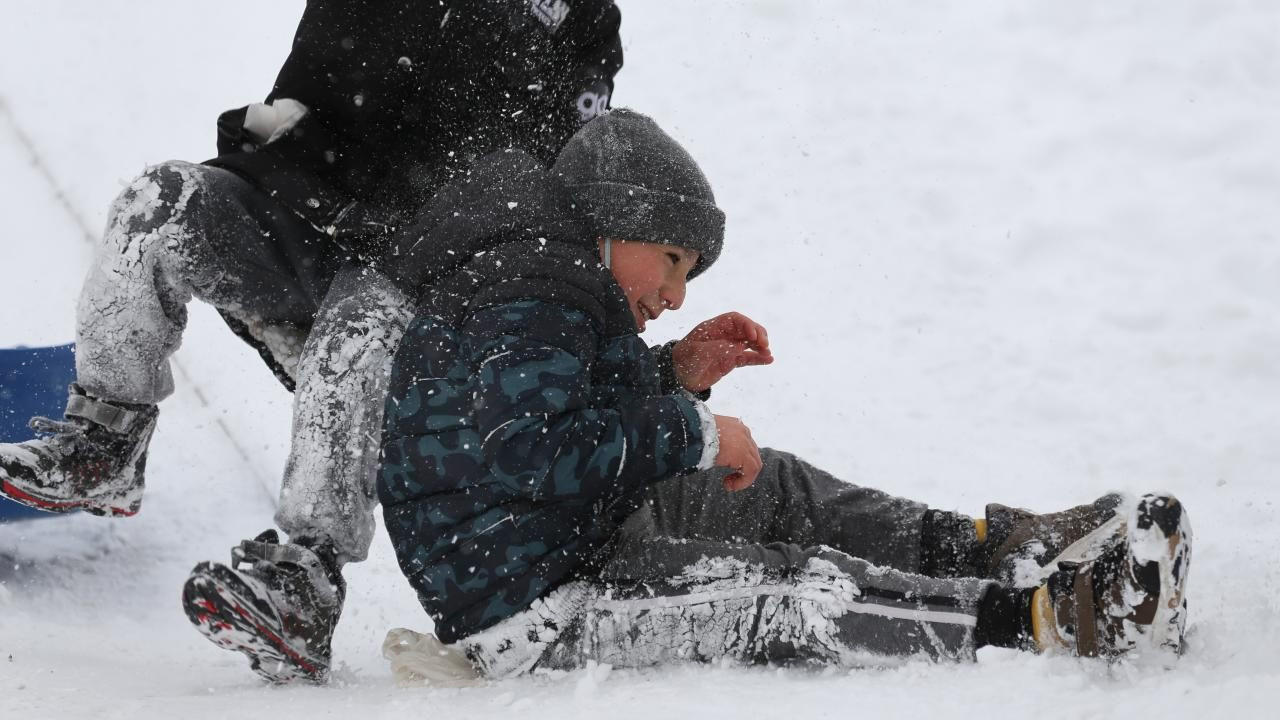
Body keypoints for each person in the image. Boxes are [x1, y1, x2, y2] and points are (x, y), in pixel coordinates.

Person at [374, 109, 1193, 681]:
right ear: (615, 219)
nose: (675, 293)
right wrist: (693, 433)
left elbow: (554, 414)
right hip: (540, 611)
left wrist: (674, 372)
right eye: (672, 260)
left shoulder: (550, 279)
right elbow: (527, 450)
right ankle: (1046, 619)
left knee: (780, 486)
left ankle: (993, 546)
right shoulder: (532, 286)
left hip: (579, 535)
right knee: (789, 589)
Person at [0, 0, 623, 684]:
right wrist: (280, 127)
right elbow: (319, 94)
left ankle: (304, 577)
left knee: (359, 322)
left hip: (428, 281)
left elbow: (550, 179)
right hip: (311, 219)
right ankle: (104, 438)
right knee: (161, 202)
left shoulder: (578, 20)